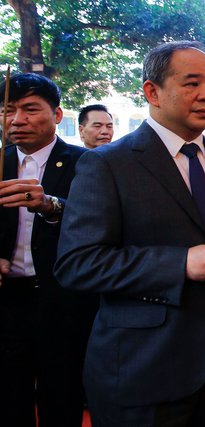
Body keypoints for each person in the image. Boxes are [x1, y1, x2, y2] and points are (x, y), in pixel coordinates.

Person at [54, 41, 205, 427]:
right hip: (143, 367)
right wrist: (180, 264)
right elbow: (77, 263)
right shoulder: (107, 164)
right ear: (152, 92)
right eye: (192, 83)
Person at [0, 73, 95, 427]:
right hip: (8, 300)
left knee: (62, 395)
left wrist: (51, 204)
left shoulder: (86, 163)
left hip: (62, 300)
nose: (16, 120)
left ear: (56, 115)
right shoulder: (1, 161)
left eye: (29, 109)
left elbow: (96, 221)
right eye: (8, 110)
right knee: (10, 398)